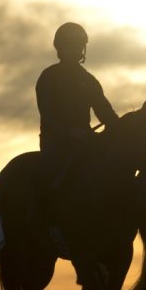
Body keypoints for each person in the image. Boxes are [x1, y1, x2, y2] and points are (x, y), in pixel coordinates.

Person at [35, 22, 119, 237]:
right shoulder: (48, 77)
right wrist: (70, 132)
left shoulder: (88, 80)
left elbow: (106, 112)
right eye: (69, 46)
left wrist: (123, 128)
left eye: (78, 46)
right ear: (59, 48)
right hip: (56, 143)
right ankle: (45, 219)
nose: (74, 50)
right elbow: (48, 115)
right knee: (52, 176)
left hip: (85, 141)